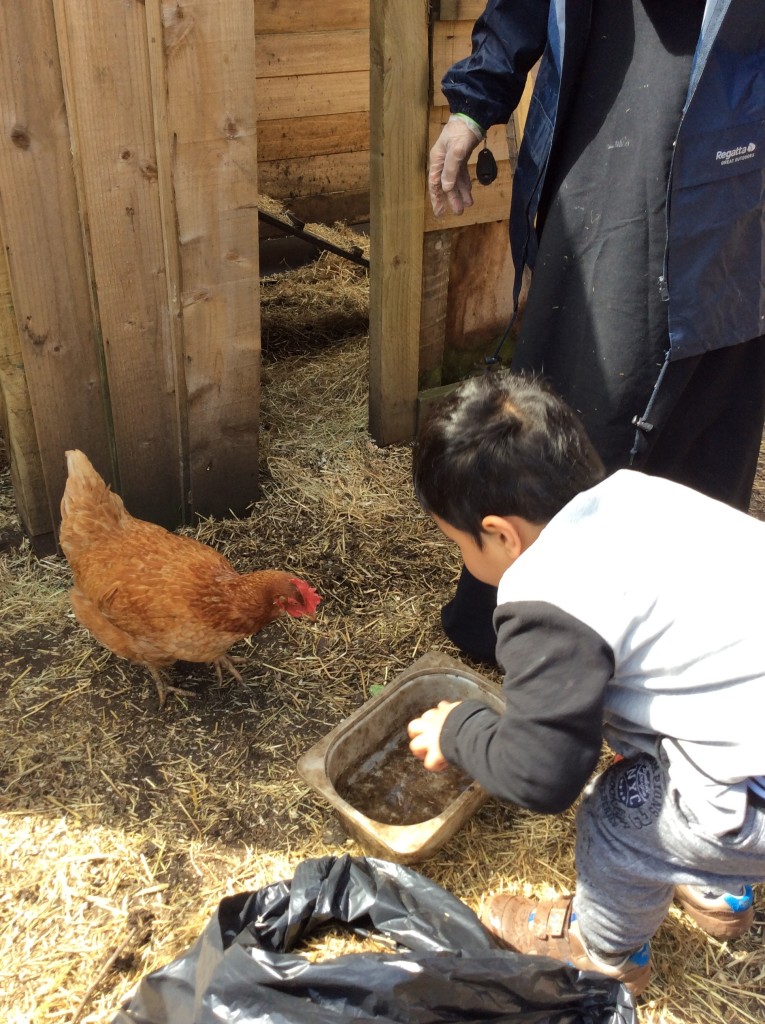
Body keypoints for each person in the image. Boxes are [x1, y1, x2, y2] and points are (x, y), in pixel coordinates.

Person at [407, 369, 764, 996]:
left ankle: (606, 950)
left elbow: (542, 774)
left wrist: (458, 727)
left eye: (456, 542)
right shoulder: (638, 495)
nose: (464, 558)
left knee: (615, 813)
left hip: (753, 797)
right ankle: (717, 889)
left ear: (499, 534)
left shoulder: (547, 593)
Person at [428, 0, 765, 665]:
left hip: (733, 168)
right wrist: (474, 103)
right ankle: (536, 631)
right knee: (571, 395)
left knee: (699, 411)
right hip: (598, 151)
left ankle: (667, 640)